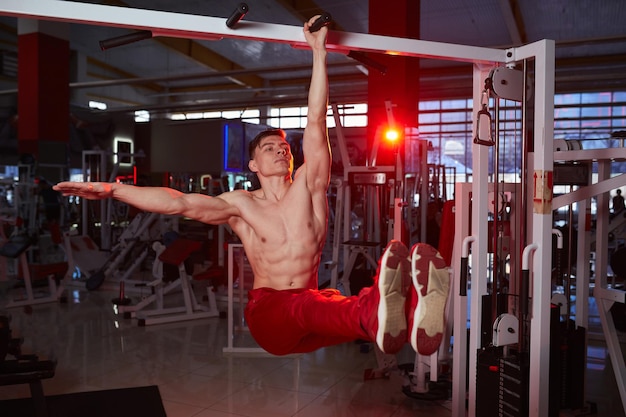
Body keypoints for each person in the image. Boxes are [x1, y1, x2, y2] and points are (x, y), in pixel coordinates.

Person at [54, 16, 449, 357]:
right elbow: (179, 203)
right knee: (316, 306)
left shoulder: (310, 185)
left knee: (333, 305)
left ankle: (413, 315)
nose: (281, 150)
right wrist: (112, 190)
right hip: (270, 315)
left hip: (313, 313)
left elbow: (314, 121)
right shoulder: (241, 205)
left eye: (283, 146)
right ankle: (377, 311)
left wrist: (318, 52)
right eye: (269, 148)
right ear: (253, 163)